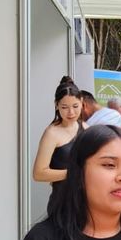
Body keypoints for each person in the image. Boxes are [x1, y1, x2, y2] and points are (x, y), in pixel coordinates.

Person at [33, 76, 85, 213]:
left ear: (82, 102)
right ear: (56, 105)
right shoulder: (52, 133)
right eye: (64, 107)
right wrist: (73, 173)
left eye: (75, 106)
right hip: (62, 203)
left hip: (86, 201)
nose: (71, 112)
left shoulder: (87, 128)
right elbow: (39, 173)